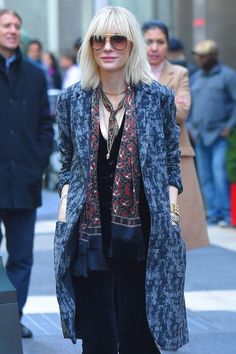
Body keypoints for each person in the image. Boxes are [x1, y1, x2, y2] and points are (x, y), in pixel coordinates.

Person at [54, 6, 188, 354]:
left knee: (138, 333)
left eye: (118, 39)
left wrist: (171, 220)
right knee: (97, 334)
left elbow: (172, 164)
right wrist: (64, 212)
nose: (107, 47)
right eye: (98, 39)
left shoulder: (156, 97)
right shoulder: (73, 99)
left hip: (143, 232)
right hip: (89, 235)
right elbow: (66, 163)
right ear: (89, 46)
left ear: (132, 46)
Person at [0, 9, 53, 337]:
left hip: (25, 180)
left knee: (22, 256)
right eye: (6, 25)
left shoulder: (35, 74)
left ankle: (11, 319)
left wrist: (38, 160)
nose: (12, 31)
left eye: (17, 26)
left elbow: (45, 123)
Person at [142, 19, 208, 249]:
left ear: (167, 45)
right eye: (148, 41)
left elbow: (182, 112)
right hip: (140, 159)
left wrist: (146, 106)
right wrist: (167, 99)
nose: (154, 47)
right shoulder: (133, 72)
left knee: (177, 232)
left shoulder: (179, 72)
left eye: (160, 42)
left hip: (176, 157)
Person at [188, 39, 236, 226]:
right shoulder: (195, 77)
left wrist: (230, 126)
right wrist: (190, 126)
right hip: (200, 135)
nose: (199, 58)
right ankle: (213, 213)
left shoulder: (228, 76)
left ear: (213, 56)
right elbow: (189, 105)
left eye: (203, 55)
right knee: (206, 176)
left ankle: (225, 214)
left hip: (219, 135)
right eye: (198, 55)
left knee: (219, 174)